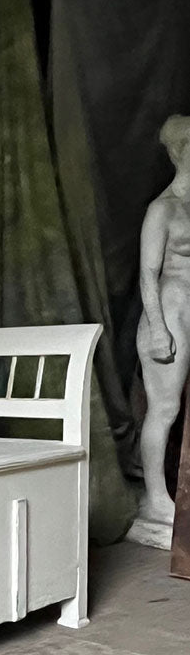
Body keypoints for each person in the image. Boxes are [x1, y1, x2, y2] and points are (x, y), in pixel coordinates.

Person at [135, 114, 190, 524]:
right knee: (165, 407)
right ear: (181, 151)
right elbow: (147, 272)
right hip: (170, 312)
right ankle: (156, 499)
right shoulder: (163, 209)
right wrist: (157, 328)